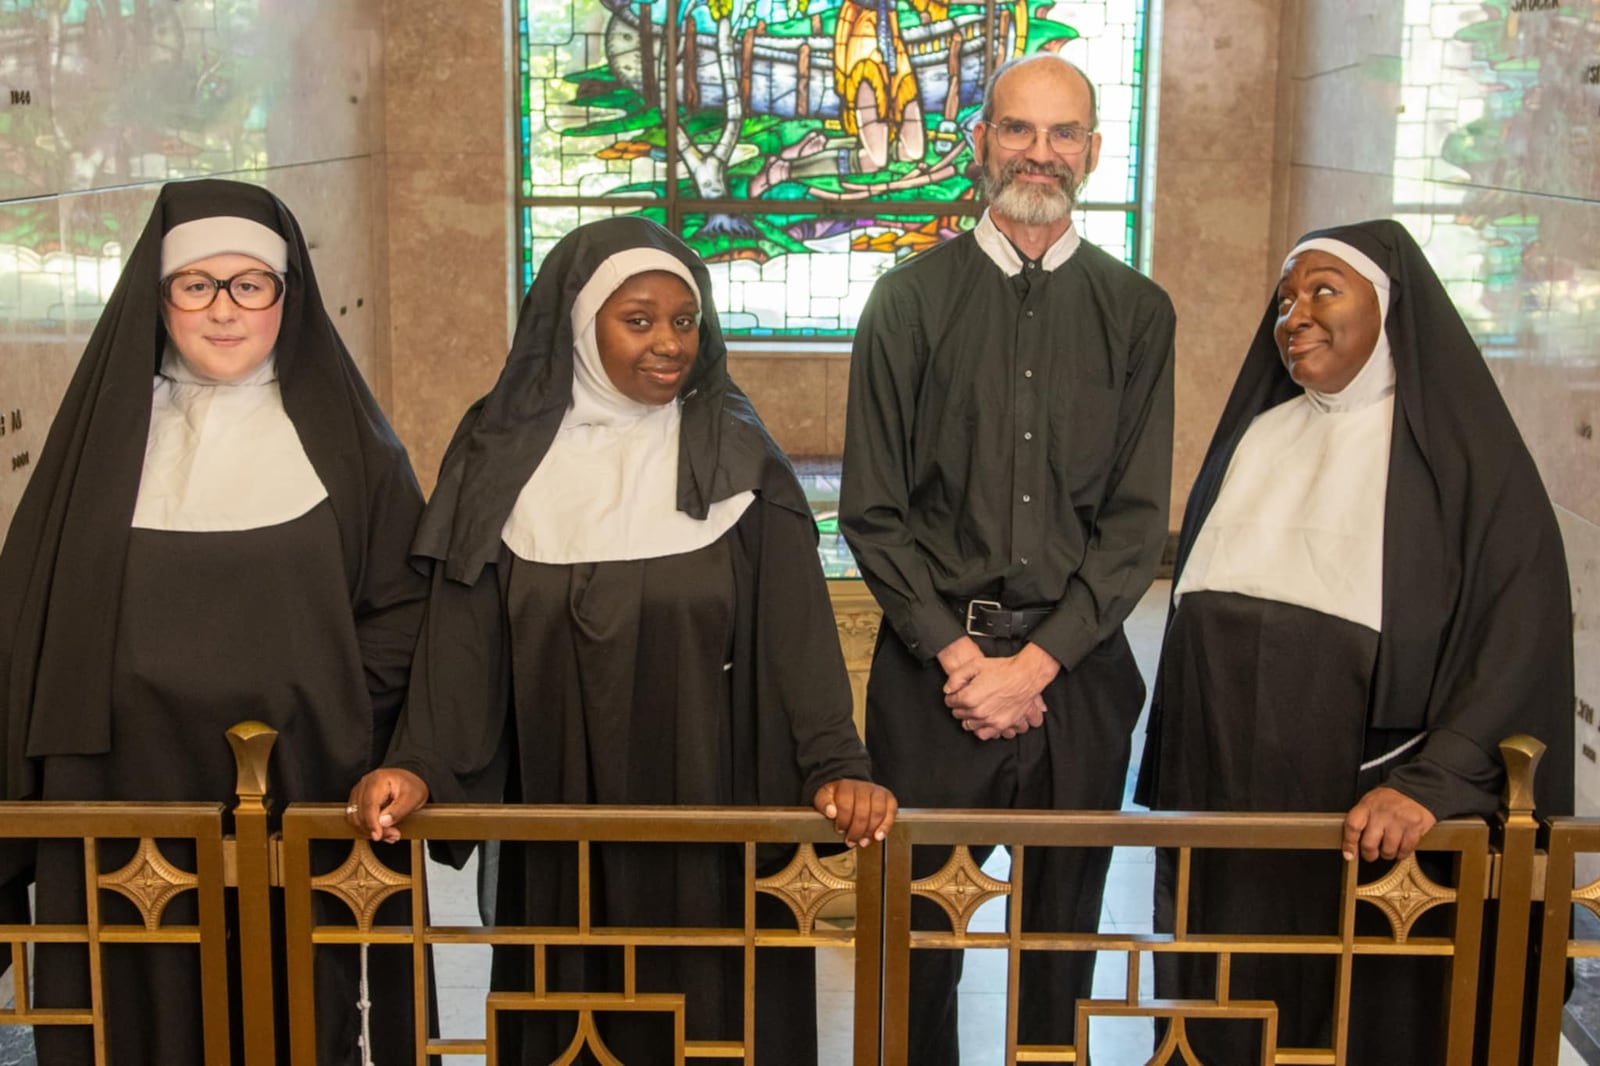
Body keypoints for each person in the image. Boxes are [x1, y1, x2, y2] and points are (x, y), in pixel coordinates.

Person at [346, 215, 898, 1064]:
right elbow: (462, 639)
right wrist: (420, 763)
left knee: (709, 1009)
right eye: (637, 320)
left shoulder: (742, 461)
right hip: (556, 806)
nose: (668, 344)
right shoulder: (499, 459)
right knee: (568, 1004)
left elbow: (796, 645)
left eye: (685, 321)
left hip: (710, 808)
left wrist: (835, 766)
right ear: (578, 323)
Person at [0, 179, 429, 1065]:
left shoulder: (354, 450)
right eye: (195, 285)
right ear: (159, 301)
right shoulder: (98, 448)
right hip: (118, 781)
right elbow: (30, 618)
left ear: (287, 297)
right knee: (129, 1014)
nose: (223, 310)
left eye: (250, 284)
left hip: (298, 784)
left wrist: (340, 710)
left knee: (289, 1012)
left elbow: (401, 610)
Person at [1135, 218, 1574, 1063]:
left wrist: (1434, 780)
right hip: (1226, 807)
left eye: (1324, 289)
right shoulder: (1258, 438)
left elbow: (1518, 643)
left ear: (1391, 306)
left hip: (1371, 815)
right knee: (1224, 1005)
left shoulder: (1464, 465)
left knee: (1354, 1022)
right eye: (1285, 299)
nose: (1295, 313)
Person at [840, 53, 1176, 1063]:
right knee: (920, 941)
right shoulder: (905, 303)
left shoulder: (1138, 315)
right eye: (1018, 130)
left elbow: (1133, 523)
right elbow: (874, 512)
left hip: (1074, 680)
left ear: (1093, 152)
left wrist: (1036, 664)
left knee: (1060, 938)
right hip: (932, 680)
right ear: (980, 142)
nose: (1040, 152)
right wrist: (961, 660)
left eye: (1062, 133)